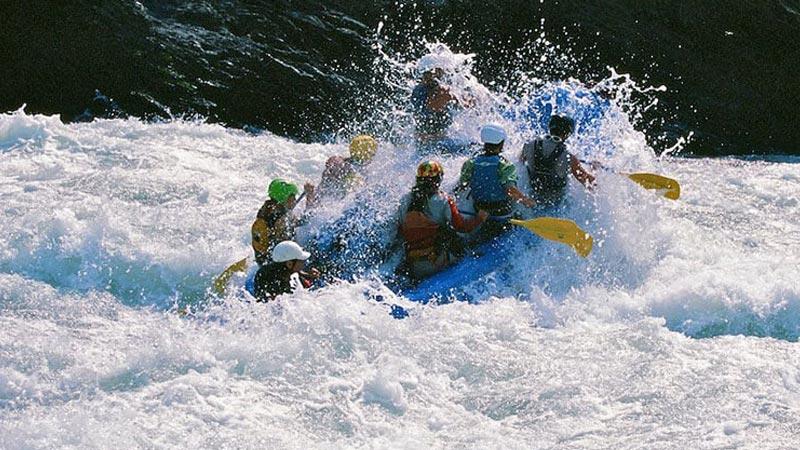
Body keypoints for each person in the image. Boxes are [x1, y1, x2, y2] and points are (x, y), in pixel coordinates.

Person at [398, 160, 488, 279]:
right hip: (435, 263)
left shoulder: (404, 200)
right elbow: (462, 228)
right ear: (438, 179)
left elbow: (400, 230)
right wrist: (480, 218)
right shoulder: (443, 200)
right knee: (455, 235)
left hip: (413, 265)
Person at [456, 123, 536, 241]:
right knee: (521, 215)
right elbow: (510, 190)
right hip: (501, 212)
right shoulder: (505, 165)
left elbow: (461, 186)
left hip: (479, 209)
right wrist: (528, 201)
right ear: (501, 144)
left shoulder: (470, 163)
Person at [520, 115, 595, 207]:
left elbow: (520, 164)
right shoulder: (569, 158)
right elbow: (588, 182)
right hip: (556, 205)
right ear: (567, 134)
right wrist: (594, 169)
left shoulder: (528, 146)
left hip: (531, 199)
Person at [411, 56, 472, 153]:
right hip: (435, 143)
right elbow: (465, 105)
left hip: (424, 144)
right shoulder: (439, 91)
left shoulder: (418, 90)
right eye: (441, 70)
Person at [251, 179, 315, 265]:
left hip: (262, 258)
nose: (295, 200)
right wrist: (310, 197)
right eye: (292, 197)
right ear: (284, 198)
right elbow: (305, 220)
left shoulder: (267, 209)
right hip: (276, 263)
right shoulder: (282, 218)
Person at [315, 134, 378, 201]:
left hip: (330, 189)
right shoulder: (354, 169)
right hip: (342, 189)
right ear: (368, 155)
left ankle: (312, 196)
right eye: (373, 154)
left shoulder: (343, 162)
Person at [253, 240, 320, 302]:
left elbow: (297, 272)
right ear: (289, 264)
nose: (304, 263)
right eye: (301, 261)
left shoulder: (280, 269)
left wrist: (308, 275)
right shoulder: (278, 284)